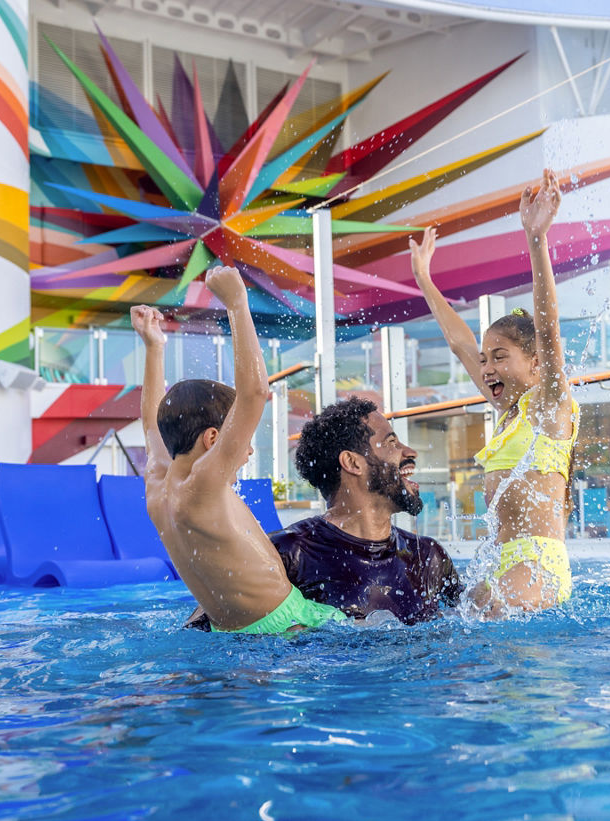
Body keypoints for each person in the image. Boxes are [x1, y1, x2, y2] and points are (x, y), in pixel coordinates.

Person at [132, 265, 345, 634]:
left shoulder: (159, 487)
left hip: (231, 633)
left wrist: (154, 347)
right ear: (213, 440)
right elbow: (255, 394)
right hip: (284, 629)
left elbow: (152, 423)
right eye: (241, 440)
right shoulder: (202, 486)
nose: (246, 452)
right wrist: (237, 303)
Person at [409, 168, 579, 616]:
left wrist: (536, 239)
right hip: (503, 562)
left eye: (500, 356)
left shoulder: (550, 406)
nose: (486, 368)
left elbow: (547, 323)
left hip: (537, 563)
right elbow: (459, 342)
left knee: (490, 620)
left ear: (537, 363)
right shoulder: (508, 412)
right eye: (486, 360)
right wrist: (424, 279)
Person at [185, 397, 462, 630]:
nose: (409, 452)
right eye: (391, 442)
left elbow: (474, 623)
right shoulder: (284, 556)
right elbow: (200, 638)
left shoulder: (428, 557)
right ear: (352, 462)